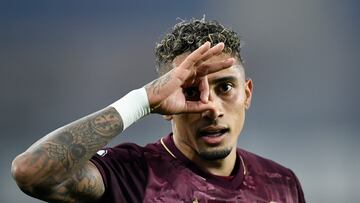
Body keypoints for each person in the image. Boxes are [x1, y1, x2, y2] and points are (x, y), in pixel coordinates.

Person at [11, 18, 305, 203]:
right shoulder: (132, 174)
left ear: (247, 94)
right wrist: (142, 101)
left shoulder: (281, 184)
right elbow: (31, 173)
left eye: (225, 87)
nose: (211, 107)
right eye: (190, 92)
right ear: (165, 106)